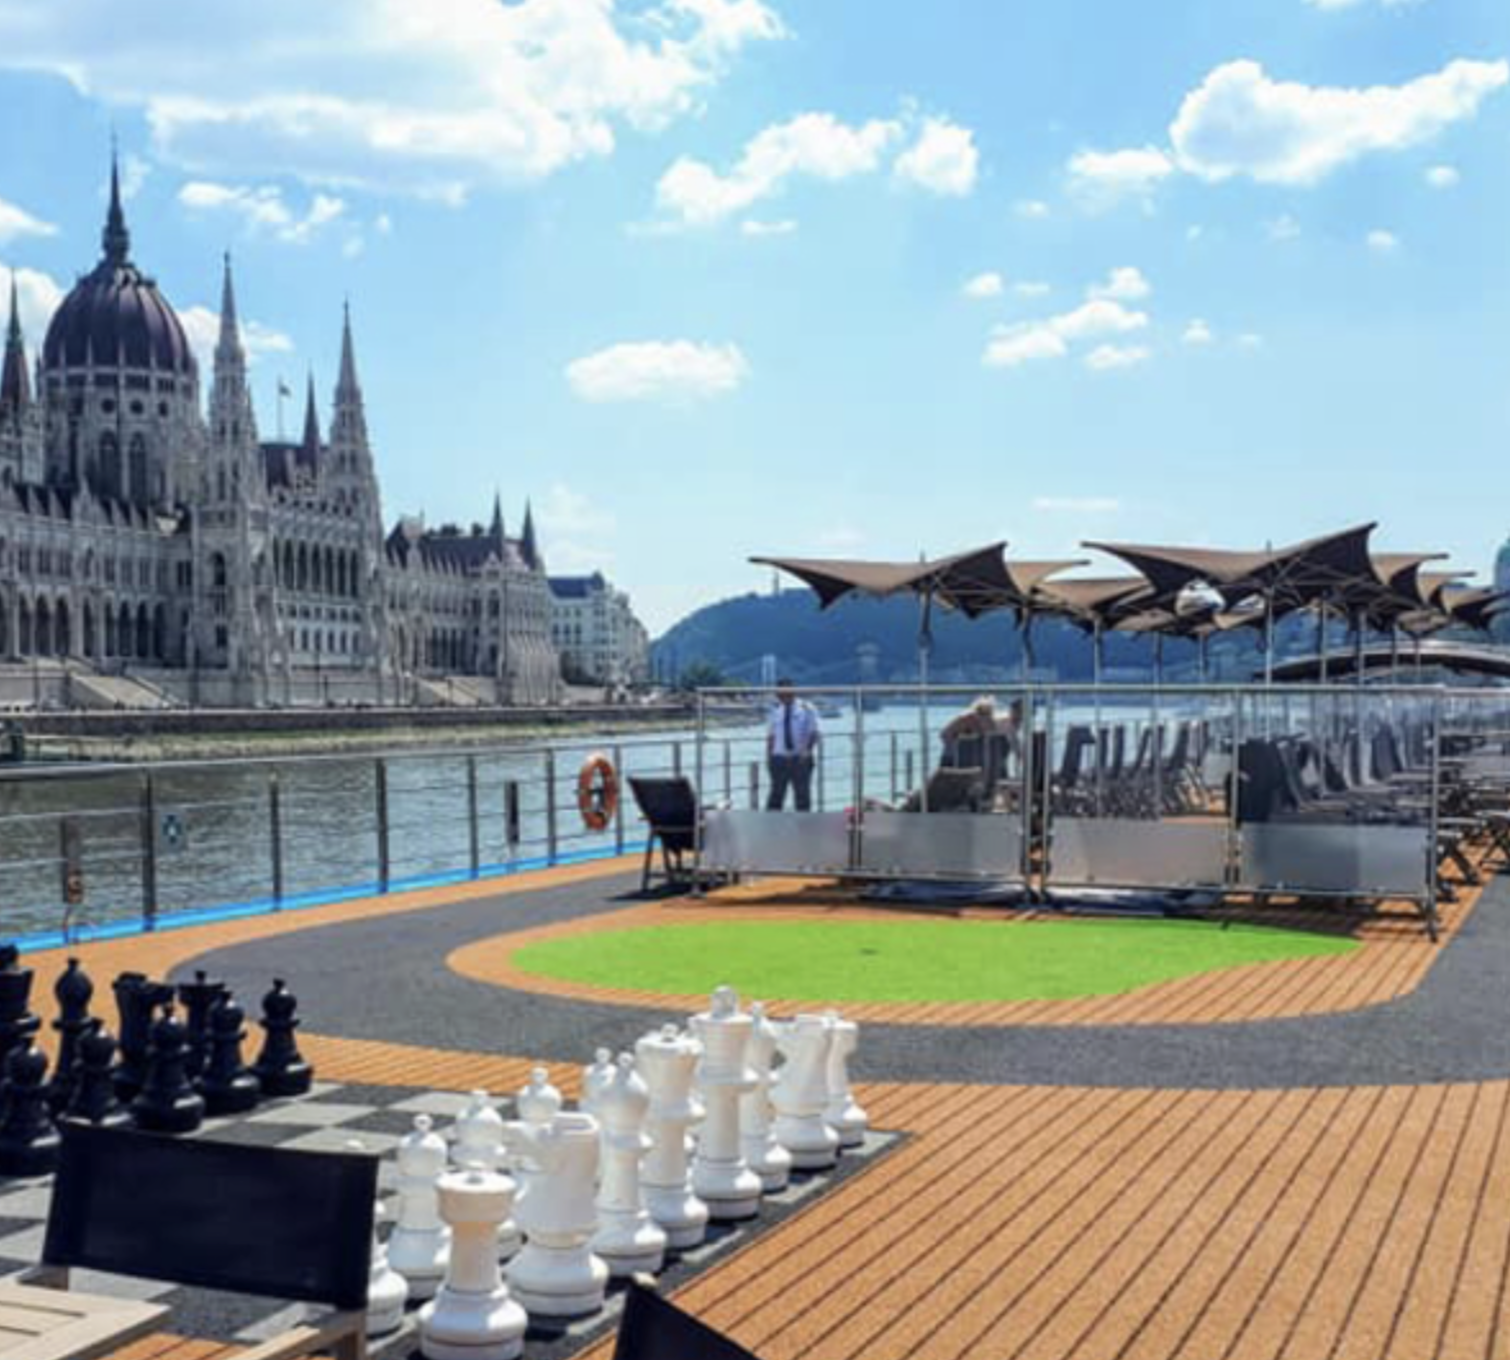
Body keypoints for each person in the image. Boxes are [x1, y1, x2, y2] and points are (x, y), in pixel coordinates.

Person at [766, 678, 821, 811]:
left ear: (794, 692)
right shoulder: (775, 710)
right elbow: (771, 736)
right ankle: (771, 827)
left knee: (802, 797)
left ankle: (804, 828)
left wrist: (807, 751)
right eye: (780, 694)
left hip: (800, 759)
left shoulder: (807, 708)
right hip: (779, 758)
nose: (784, 697)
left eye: (787, 693)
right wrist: (769, 758)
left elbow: (814, 732)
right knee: (776, 796)